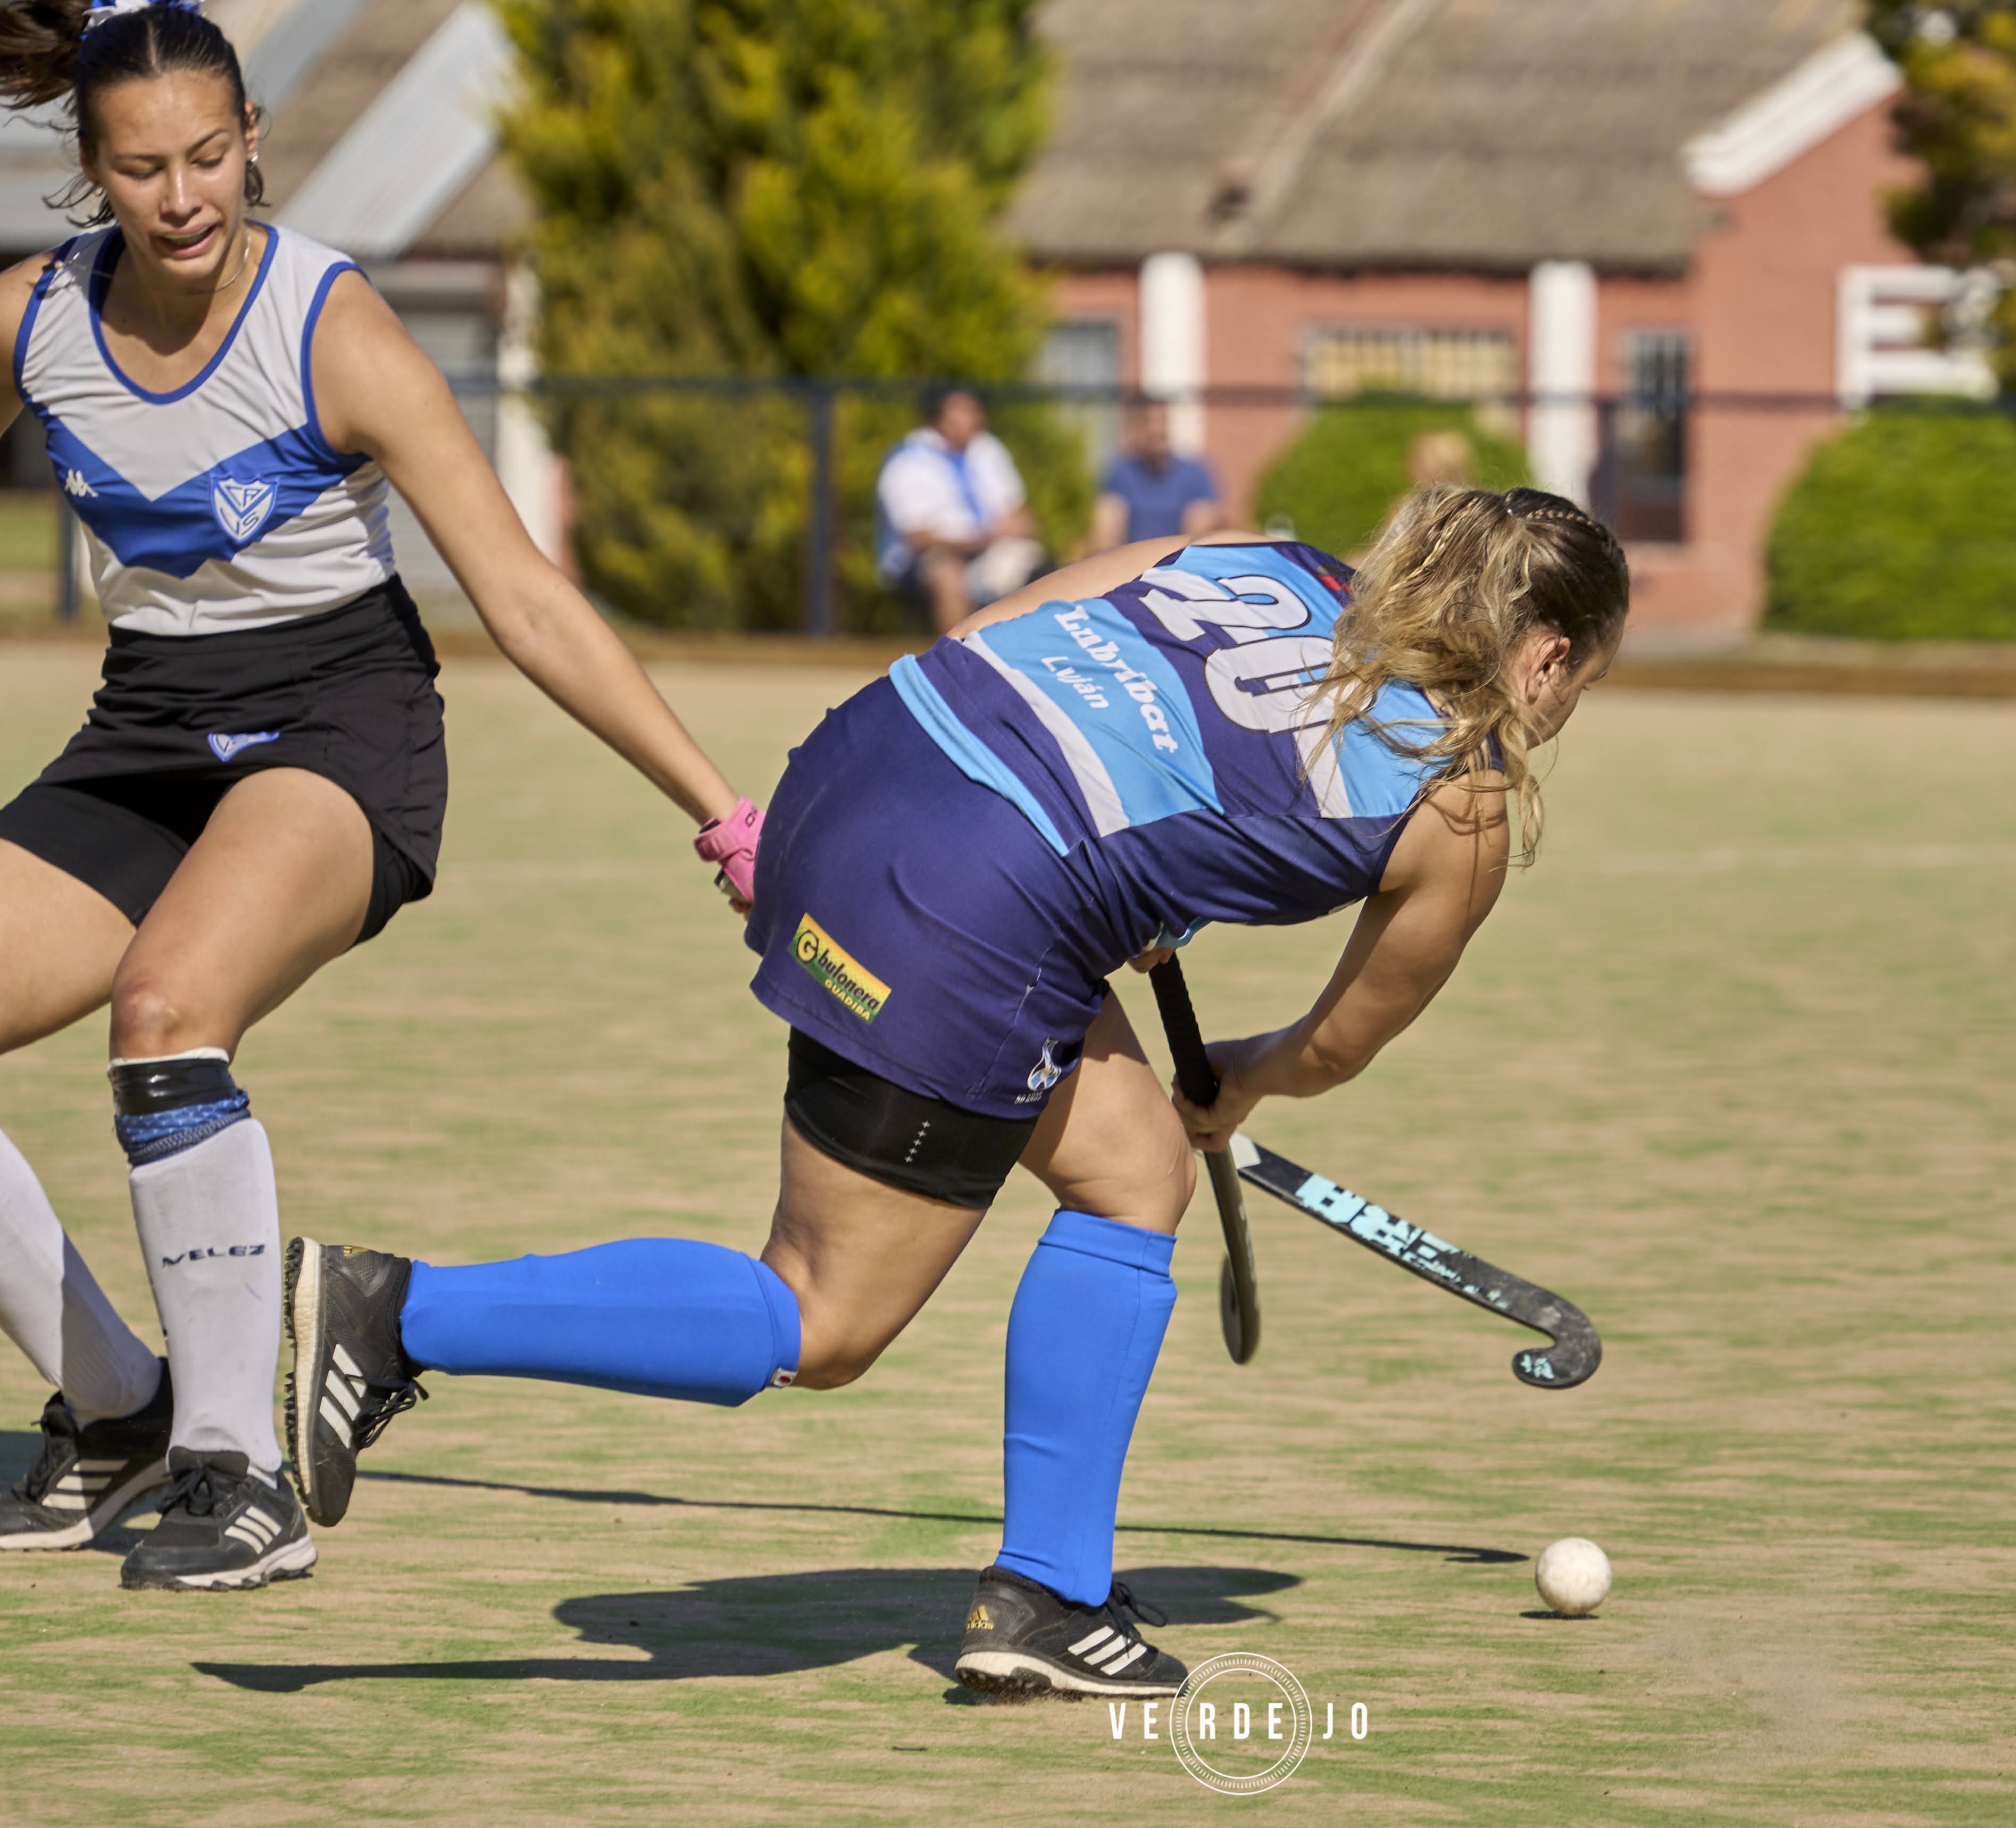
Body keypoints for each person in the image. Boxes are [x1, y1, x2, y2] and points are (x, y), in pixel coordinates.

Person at [287, 484, 1629, 1697]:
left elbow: (998, 635)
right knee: (823, 1315)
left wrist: (1123, 859)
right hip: (972, 902)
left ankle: (1048, 1589)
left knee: (1134, 1170)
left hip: (861, 765)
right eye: (1582, 677)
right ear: (1543, 655)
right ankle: (400, 1312)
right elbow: (1333, 1045)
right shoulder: (1460, 809)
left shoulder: (1256, 555)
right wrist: (1240, 1076)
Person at [0, 0, 761, 1592]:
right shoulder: (33, 319)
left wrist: (719, 806)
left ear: (253, 139)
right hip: (146, 730)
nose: (184, 198)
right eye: (142, 169)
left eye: (209, 156)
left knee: (165, 1011)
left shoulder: (329, 327)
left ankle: (240, 1467)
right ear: (91, 172)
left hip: (341, 726)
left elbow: (524, 597)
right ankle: (124, 1402)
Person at [875, 386, 1045, 633]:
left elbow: (1019, 510)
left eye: (975, 411)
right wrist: (980, 539)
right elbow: (918, 539)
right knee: (948, 573)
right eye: (964, 412)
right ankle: (957, 652)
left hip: (987, 549)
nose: (975, 418)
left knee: (1040, 566)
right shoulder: (907, 459)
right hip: (925, 560)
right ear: (938, 418)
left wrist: (1016, 527)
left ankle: (1024, 651)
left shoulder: (986, 448)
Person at [1086, 395, 1223, 549]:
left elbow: (1216, 520)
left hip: (1179, 557)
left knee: (1203, 514)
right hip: (1132, 556)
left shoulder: (1194, 474)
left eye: (1162, 421)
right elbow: (1104, 521)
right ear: (1136, 429)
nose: (1156, 430)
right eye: (1149, 422)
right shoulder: (1121, 473)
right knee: (1107, 510)